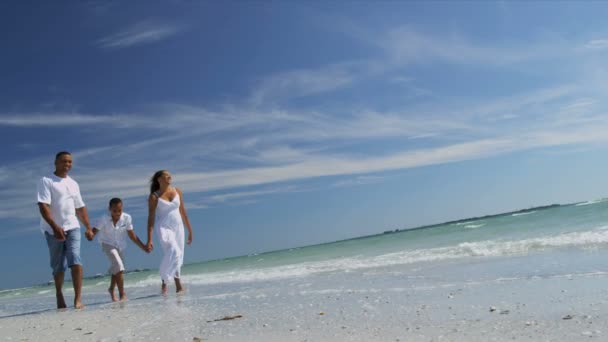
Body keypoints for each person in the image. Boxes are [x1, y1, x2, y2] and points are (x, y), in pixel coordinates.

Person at [37, 151, 94, 309]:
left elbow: (80, 208)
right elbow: (43, 206)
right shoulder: (46, 181)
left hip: (72, 226)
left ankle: (78, 299)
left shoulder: (74, 184)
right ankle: (59, 294)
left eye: (69, 162)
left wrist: (88, 227)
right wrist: (55, 227)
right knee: (58, 266)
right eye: (64, 161)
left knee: (75, 258)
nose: (67, 164)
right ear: (56, 162)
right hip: (51, 228)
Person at [86, 198, 149, 302]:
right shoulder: (104, 219)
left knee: (117, 268)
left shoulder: (127, 218)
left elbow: (132, 236)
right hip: (107, 244)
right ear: (110, 209)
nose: (118, 213)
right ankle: (122, 294)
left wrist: (144, 247)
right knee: (119, 266)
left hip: (120, 246)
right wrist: (90, 235)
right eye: (115, 211)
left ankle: (111, 289)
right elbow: (94, 232)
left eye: (119, 210)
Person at [145, 170, 193, 295]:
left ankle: (169, 284)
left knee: (178, 256)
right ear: (159, 179)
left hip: (179, 227)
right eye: (166, 175)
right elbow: (150, 218)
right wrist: (149, 239)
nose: (169, 176)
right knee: (174, 251)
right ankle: (170, 281)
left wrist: (190, 230)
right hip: (164, 228)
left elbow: (183, 211)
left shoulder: (177, 191)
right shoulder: (154, 196)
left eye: (170, 175)